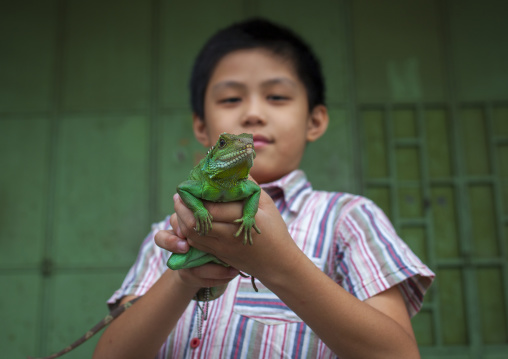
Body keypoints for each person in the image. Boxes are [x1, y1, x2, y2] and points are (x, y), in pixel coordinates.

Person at [93, 18, 434, 359]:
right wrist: (183, 277)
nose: (253, 114)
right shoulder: (170, 233)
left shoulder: (349, 218)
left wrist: (278, 264)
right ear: (200, 127)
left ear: (315, 121)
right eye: (230, 99)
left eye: (276, 96)